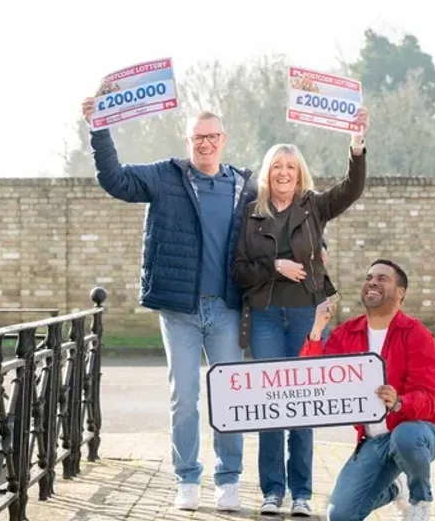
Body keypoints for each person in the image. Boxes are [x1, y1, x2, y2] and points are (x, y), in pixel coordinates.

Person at [81, 95, 254, 512]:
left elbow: (286, 219)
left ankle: (229, 479)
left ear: (224, 139)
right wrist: (99, 128)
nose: (205, 144)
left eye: (212, 136)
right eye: (198, 137)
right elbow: (115, 180)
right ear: (187, 140)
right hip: (180, 310)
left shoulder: (245, 186)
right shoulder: (165, 177)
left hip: (227, 309)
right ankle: (187, 479)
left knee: (229, 396)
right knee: (184, 397)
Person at [231, 108, 369, 517]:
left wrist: (356, 145)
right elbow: (238, 271)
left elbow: (351, 189)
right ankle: (272, 491)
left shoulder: (314, 207)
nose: (284, 172)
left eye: (291, 167)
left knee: (303, 406)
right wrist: (273, 266)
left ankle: (302, 493)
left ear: (300, 173)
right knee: (271, 406)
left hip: (307, 316)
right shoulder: (250, 212)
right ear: (268, 172)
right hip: (265, 317)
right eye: (277, 166)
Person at [299, 259, 435, 521]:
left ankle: (420, 500)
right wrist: (317, 330)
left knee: (405, 436)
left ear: (400, 293)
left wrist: (399, 402)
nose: (372, 283)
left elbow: (429, 398)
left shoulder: (417, 334)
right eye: (369, 278)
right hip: (373, 441)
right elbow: (314, 380)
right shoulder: (348, 333)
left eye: (382, 278)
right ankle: (395, 488)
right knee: (340, 515)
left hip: (417, 432)